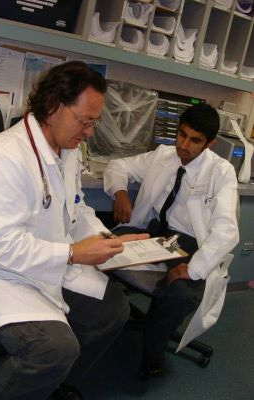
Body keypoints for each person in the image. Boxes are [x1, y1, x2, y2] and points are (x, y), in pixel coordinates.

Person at [0, 61, 148, 400]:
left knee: (113, 311)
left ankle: (44, 386)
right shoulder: (3, 159)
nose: (89, 132)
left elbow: (75, 208)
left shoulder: (67, 149)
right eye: (85, 121)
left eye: (94, 122)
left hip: (48, 259)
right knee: (53, 349)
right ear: (53, 105)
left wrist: (107, 241)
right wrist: (73, 254)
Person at [103, 103, 239, 379]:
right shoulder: (163, 155)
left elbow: (226, 228)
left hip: (190, 246)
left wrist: (194, 268)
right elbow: (118, 165)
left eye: (195, 140)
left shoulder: (221, 172)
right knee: (101, 245)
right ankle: (101, 322)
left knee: (179, 295)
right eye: (181, 134)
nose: (184, 145)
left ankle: (152, 354)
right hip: (154, 233)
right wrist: (120, 192)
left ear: (210, 143)